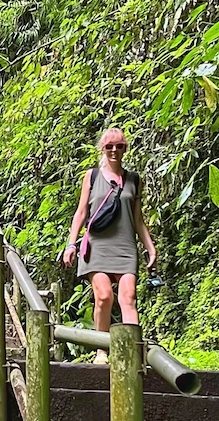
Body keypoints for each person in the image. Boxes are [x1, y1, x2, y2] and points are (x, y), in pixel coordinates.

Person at [62, 127, 157, 363]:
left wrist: (150, 247)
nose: (114, 150)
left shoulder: (133, 179)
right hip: (97, 246)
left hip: (125, 247)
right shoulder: (92, 176)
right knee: (104, 296)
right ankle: (102, 349)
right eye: (109, 146)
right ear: (102, 149)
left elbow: (137, 219)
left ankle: (133, 351)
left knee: (129, 296)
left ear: (125, 148)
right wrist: (71, 244)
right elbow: (81, 212)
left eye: (119, 146)